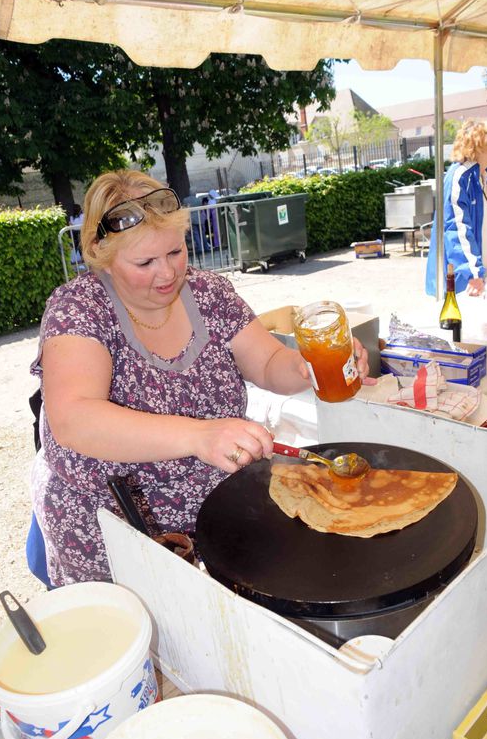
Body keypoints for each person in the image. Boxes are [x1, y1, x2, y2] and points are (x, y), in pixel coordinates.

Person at [29, 169, 372, 587]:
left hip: (216, 510)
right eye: (145, 262)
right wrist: (200, 435)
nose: (168, 273)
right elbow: (74, 419)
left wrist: (308, 366)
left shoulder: (210, 293)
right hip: (109, 524)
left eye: (175, 252)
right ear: (102, 254)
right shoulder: (79, 307)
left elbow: (267, 364)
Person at [426, 119, 487, 297]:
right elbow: (457, 228)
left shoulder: (483, 175)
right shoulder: (460, 177)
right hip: (467, 283)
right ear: (479, 145)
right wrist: (473, 272)